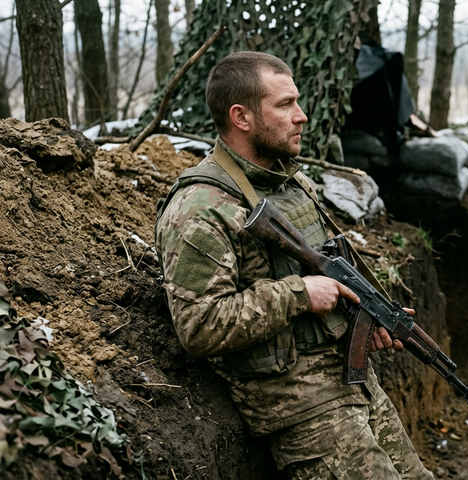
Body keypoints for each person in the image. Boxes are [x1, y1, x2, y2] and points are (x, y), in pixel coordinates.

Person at [155, 51, 433, 479]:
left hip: (351, 380)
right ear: (241, 117)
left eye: (296, 102)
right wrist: (300, 294)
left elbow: (331, 268)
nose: (301, 116)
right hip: (297, 403)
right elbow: (199, 323)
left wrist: (364, 315)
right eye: (285, 105)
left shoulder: (292, 184)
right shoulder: (201, 207)